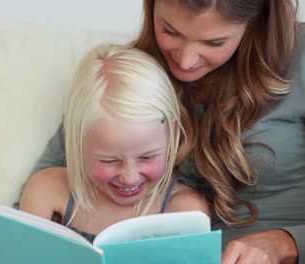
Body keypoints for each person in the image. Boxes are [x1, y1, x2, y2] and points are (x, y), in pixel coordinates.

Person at [18, 0, 305, 263]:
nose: (186, 60)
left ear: (256, 23)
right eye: (170, 31)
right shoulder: (126, 81)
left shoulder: (299, 56)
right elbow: (44, 193)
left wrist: (286, 243)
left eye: (215, 42)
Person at [19, 44, 210, 243]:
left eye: (147, 157)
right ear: (78, 143)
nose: (129, 178)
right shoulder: (47, 191)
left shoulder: (184, 212)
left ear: (172, 135)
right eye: (109, 161)